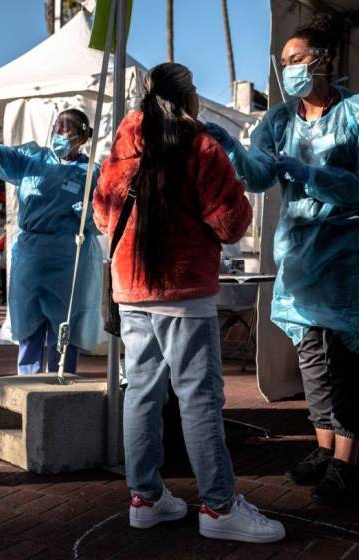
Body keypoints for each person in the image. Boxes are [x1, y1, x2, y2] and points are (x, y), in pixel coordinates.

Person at [206, 15, 359, 506]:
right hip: (300, 257)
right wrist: (233, 147)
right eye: (284, 62)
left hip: (350, 257)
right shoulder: (278, 120)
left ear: (323, 60)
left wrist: (310, 174)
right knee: (311, 357)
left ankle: (347, 465)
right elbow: (257, 177)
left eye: (296, 60)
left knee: (348, 360)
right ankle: (323, 449)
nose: (287, 69)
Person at [94, 62, 285, 543]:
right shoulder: (202, 147)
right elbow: (231, 224)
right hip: (183, 291)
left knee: (142, 391)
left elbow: (101, 212)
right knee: (198, 399)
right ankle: (219, 507)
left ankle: (146, 497)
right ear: (190, 98)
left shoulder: (123, 146)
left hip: (132, 289)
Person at [0, 107, 103, 375]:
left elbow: (107, 212)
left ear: (82, 137)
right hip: (31, 254)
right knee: (29, 323)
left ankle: (61, 381)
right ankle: (26, 381)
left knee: (65, 327)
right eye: (57, 126)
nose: (59, 133)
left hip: (70, 257)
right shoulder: (32, 159)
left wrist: (88, 217)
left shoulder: (90, 174)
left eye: (67, 127)